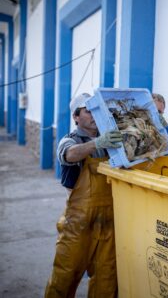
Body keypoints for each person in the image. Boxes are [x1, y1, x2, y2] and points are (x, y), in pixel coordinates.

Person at [45, 93, 122, 298]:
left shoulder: (110, 140)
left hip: (108, 221)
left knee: (107, 277)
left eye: (96, 110)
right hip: (78, 223)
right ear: (76, 117)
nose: (93, 115)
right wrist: (96, 143)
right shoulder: (69, 140)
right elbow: (70, 154)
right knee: (65, 275)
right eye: (88, 111)